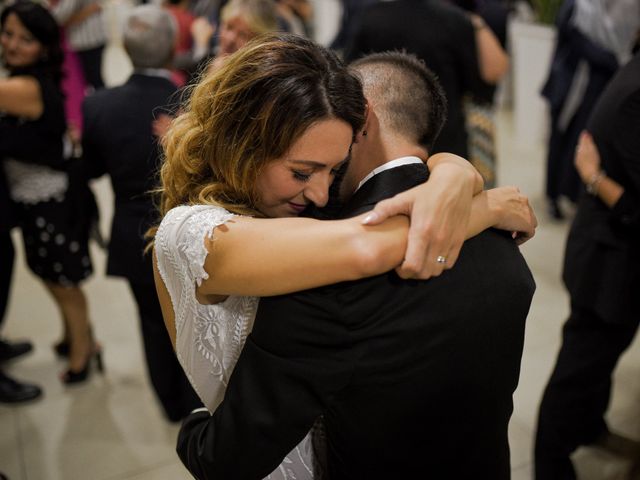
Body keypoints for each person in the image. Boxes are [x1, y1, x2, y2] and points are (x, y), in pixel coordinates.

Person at [153, 34, 535, 478]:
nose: (319, 193)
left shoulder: (312, 241)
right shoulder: (189, 230)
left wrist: (453, 171)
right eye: (303, 171)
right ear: (246, 143)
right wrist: (477, 200)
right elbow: (364, 246)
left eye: (333, 169)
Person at [81, 4, 201, 422]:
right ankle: (197, 403)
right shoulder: (193, 104)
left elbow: (90, 168)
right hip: (190, 232)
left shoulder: (100, 107)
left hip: (133, 233)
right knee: (195, 320)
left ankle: (170, 405)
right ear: (172, 49)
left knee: (153, 323)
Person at [535, 50, 640, 480]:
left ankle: (590, 427)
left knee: (600, 358)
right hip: (609, 263)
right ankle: (551, 463)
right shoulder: (636, 95)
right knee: (579, 369)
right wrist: (596, 179)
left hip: (615, 255)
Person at [0, 1, 100, 384]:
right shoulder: (28, 77)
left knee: (63, 285)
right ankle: (74, 338)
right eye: (8, 33)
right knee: (53, 277)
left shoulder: (23, 86)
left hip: (49, 201)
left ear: (43, 46)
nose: (11, 44)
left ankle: (82, 354)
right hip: (36, 198)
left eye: (25, 39)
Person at [343, 0, 508, 159]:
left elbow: (351, 76)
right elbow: (484, 80)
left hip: (384, 139)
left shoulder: (372, 16)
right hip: (444, 140)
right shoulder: (454, 19)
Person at [541, 0, 640, 219]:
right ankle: (553, 197)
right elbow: (574, 40)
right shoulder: (576, 7)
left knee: (580, 145)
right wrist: (612, 60)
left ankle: (569, 194)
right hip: (569, 89)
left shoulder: (611, 12)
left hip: (593, 91)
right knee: (560, 143)